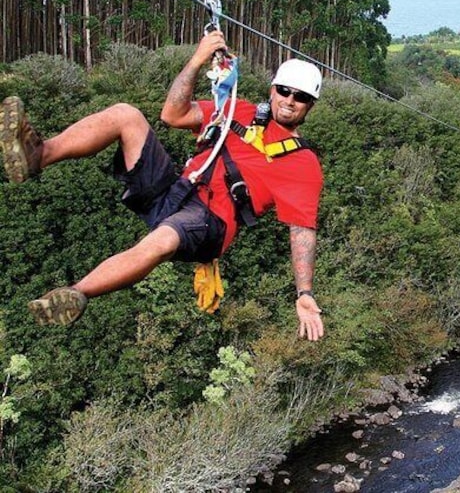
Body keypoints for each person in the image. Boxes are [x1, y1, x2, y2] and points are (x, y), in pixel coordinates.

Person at [0, 31, 325, 340]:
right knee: (125, 115)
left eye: (301, 97)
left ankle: (76, 295)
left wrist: (304, 293)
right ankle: (37, 155)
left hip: (212, 222)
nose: (290, 100)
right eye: (285, 90)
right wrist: (196, 60)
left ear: (310, 105)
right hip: (178, 189)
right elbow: (173, 114)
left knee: (161, 240)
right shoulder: (238, 109)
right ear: (273, 89)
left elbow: (302, 231)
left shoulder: (302, 163)